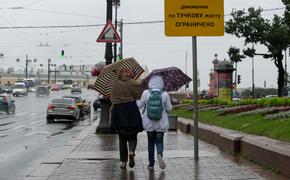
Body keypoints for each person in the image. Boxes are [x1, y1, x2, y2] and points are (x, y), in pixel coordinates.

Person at [137, 75, 172, 170]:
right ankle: (159, 154)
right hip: (161, 123)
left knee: (150, 144)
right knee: (160, 141)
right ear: (162, 83)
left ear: (150, 82)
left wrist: (136, 100)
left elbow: (140, 105)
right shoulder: (165, 94)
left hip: (149, 123)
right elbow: (169, 109)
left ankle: (151, 164)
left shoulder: (146, 93)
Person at [110, 68, 143, 169]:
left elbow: (112, 99)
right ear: (129, 74)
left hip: (119, 111)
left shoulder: (115, 84)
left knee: (122, 138)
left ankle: (123, 162)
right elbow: (139, 96)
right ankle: (132, 151)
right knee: (133, 135)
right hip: (131, 110)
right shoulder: (134, 83)